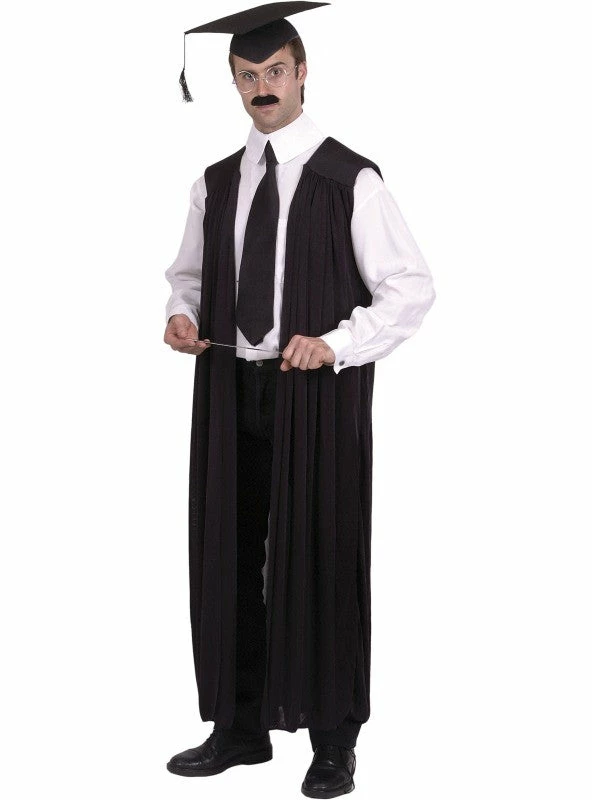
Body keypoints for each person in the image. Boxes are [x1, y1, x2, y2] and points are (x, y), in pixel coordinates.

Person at [163, 3, 435, 796]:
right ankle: (240, 727)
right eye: (248, 75)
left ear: (303, 71)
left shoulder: (349, 179)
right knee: (228, 553)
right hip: (229, 388)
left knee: (321, 553)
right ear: (233, 82)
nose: (263, 88)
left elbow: (410, 287)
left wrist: (338, 343)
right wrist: (182, 315)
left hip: (315, 397)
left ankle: (333, 740)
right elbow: (189, 276)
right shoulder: (217, 183)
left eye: (275, 71)